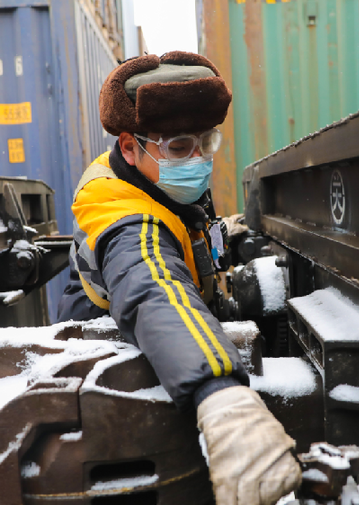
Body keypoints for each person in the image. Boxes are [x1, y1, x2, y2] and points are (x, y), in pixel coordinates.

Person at [57, 51, 301, 505]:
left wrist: (224, 233)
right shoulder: (125, 219)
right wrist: (221, 397)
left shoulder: (157, 185)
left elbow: (180, 237)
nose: (198, 159)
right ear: (129, 147)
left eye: (206, 142)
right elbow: (154, 288)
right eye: (178, 147)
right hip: (112, 393)